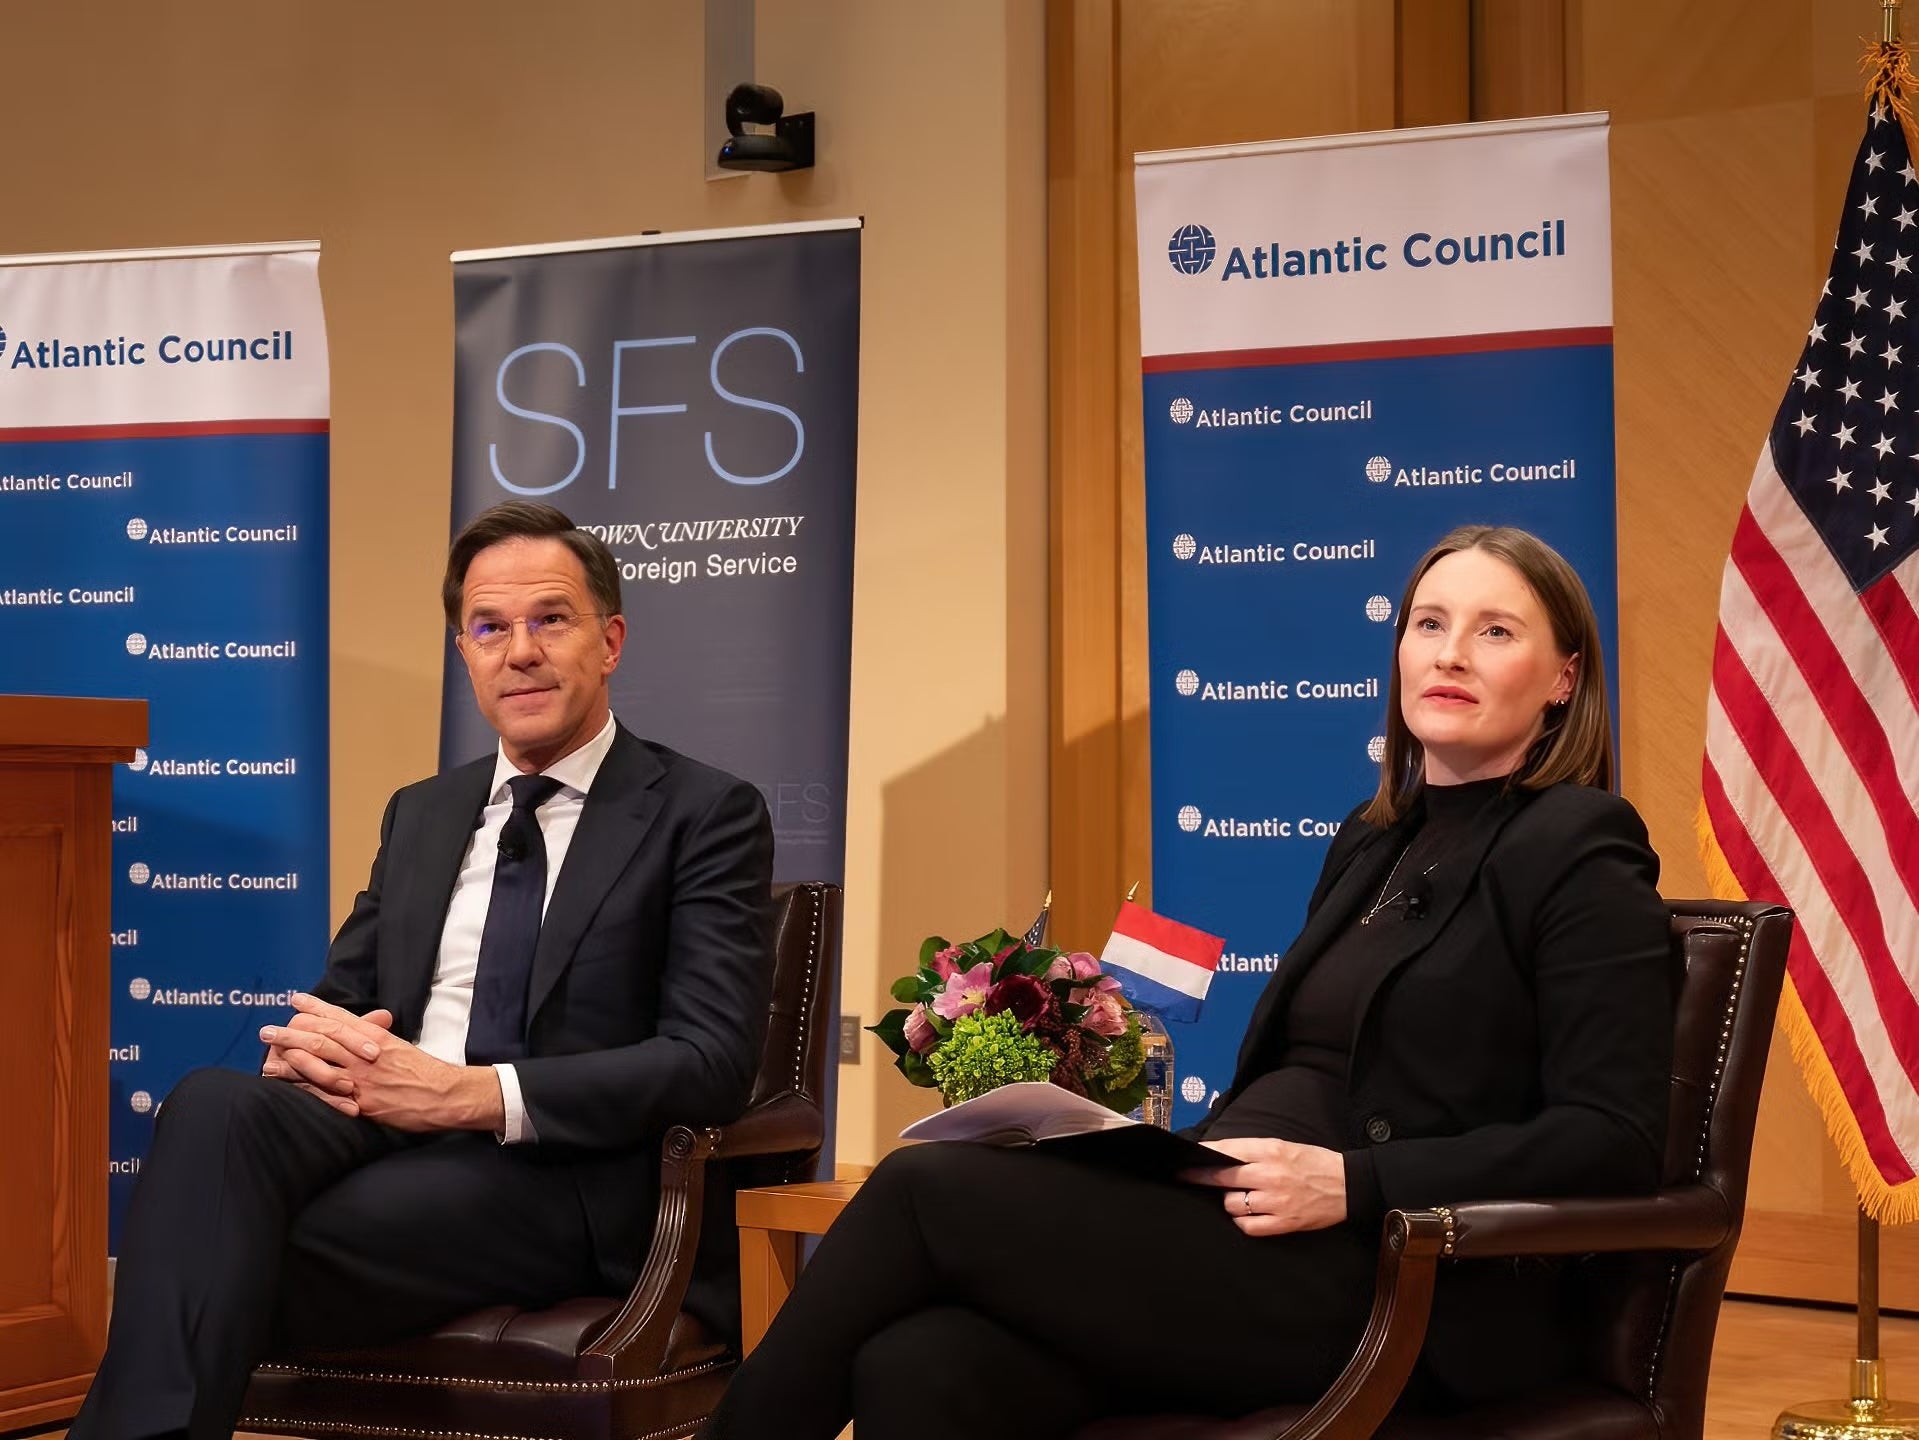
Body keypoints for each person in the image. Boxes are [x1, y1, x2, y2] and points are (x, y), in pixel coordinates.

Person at [704, 524, 1672, 1439]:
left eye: (1492, 632)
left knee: (920, 1190)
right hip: (1236, 1229)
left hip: (1396, 1276)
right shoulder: (1373, 838)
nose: (1448, 653)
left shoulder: (1578, 846)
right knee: (921, 1365)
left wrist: (1357, 1183)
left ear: (1562, 679)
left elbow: (1612, 1139)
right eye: (1428, 624)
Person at [72, 501, 776, 1440]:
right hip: (383, 1126)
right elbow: (347, 995)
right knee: (212, 1101)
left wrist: (474, 1096)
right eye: (489, 628)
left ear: (609, 641)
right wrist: (314, 1045)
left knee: (218, 1246)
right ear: (465, 653)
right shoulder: (424, 813)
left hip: (555, 1169)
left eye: (549, 620)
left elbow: (711, 1059)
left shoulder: (703, 812)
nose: (518, 651)